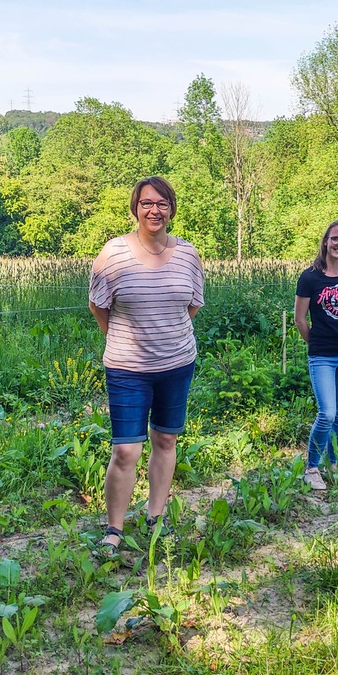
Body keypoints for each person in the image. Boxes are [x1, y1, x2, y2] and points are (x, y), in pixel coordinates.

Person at [88, 177, 204, 556]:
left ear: (171, 208)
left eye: (162, 203)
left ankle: (156, 517)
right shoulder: (113, 253)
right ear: (135, 207)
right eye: (146, 203)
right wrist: (127, 339)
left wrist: (166, 336)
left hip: (176, 363)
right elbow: (98, 306)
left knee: (165, 439)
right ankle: (114, 530)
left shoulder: (188, 254)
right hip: (126, 367)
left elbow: (193, 303)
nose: (154, 210)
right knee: (126, 451)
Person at [294, 220, 338, 490]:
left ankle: (333, 462)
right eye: (336, 239)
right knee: (328, 413)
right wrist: (319, 343)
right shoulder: (310, 277)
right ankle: (311, 467)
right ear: (325, 241)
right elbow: (300, 319)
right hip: (322, 355)